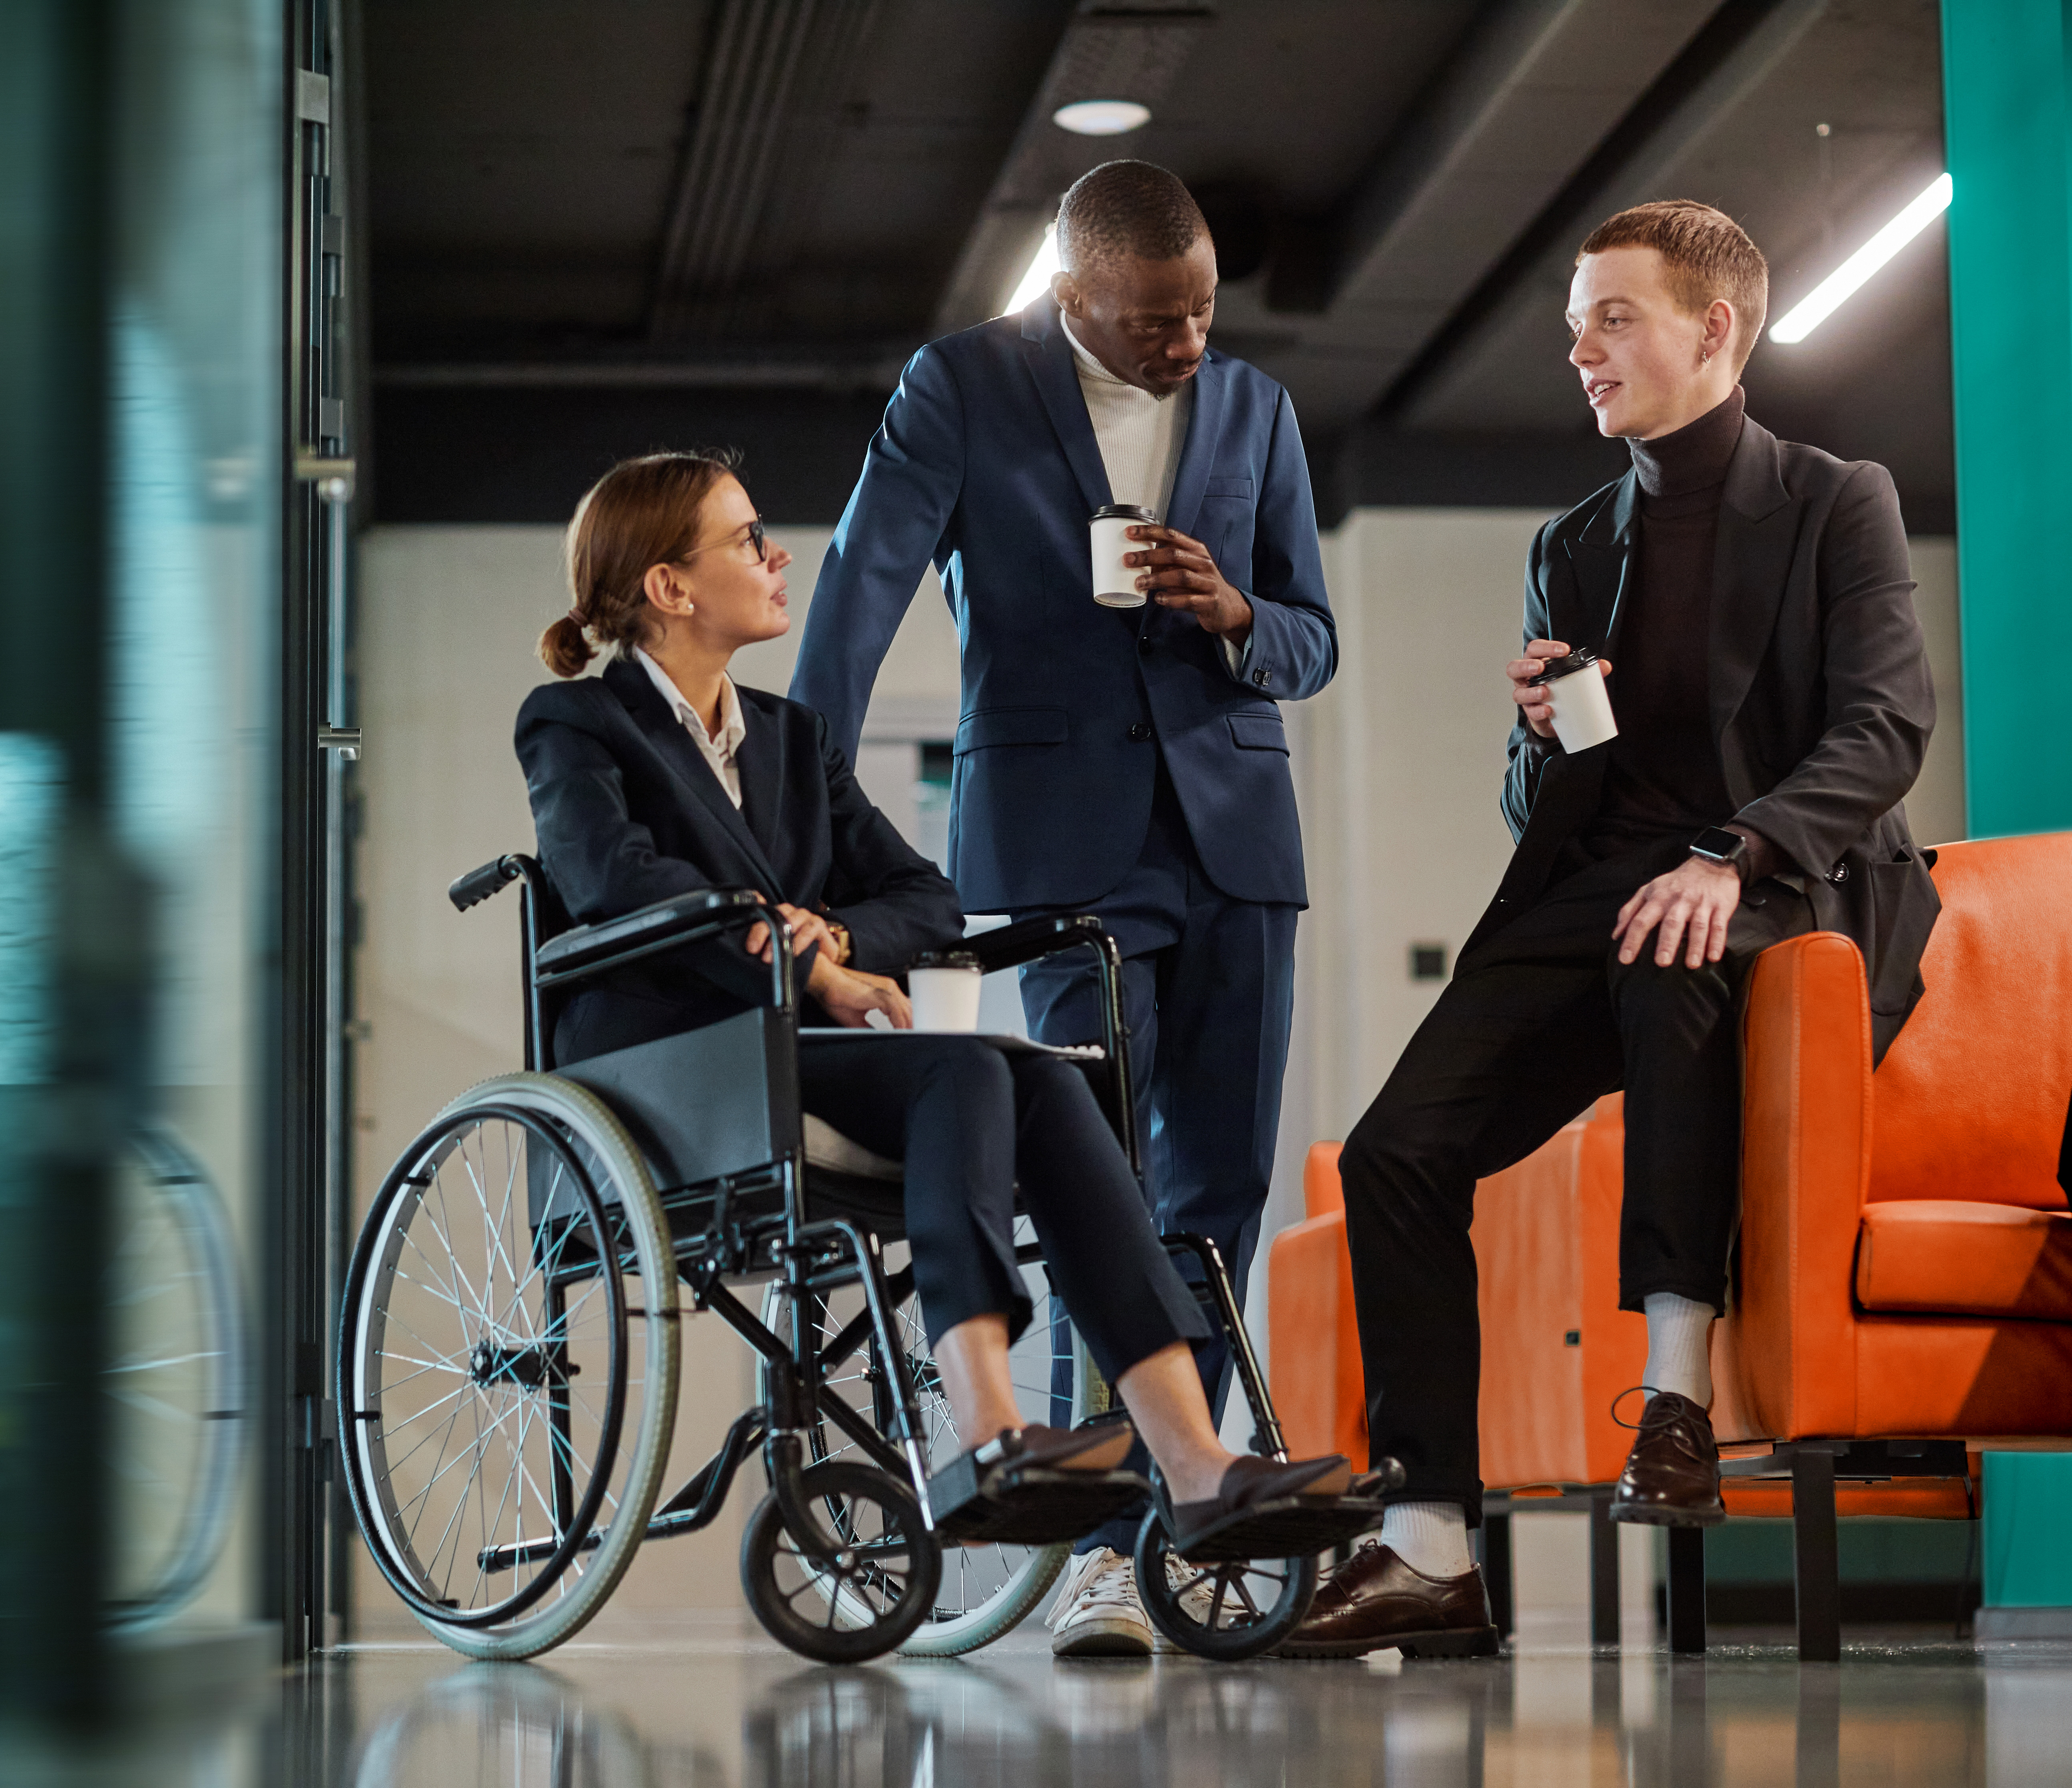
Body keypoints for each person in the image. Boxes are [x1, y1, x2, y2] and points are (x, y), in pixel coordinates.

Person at [1280, 201, 1937, 1659]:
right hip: (1602, 888)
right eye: (1576, 324)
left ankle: (1678, 1403)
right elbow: (1547, 810)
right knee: (1399, 1154)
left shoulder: (1836, 499)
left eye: (1612, 318)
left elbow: (1886, 727)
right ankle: (1431, 1546)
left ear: (1717, 328)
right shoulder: (1576, 542)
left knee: (1677, 951)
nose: (1580, 350)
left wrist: (1734, 847)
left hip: (1779, 883)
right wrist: (1540, 731)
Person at [515, 451, 1347, 1549]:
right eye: (748, 540)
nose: (780, 558)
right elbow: (617, 881)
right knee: (965, 1065)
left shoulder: (792, 741)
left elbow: (929, 901)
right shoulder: (576, 723)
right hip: (668, 1065)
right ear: (669, 587)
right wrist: (808, 961)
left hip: (795, 1053)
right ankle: (986, 1430)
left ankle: (1192, 1463)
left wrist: (844, 938)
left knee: (1038, 1082)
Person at [788, 160, 1335, 1654]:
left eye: (1205, 312)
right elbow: (858, 592)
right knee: (1105, 1181)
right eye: (1156, 320)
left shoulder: (1258, 412)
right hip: (1059, 849)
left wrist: (1236, 617)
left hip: (1238, 837)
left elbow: (1312, 637)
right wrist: (803, 823)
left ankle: (1184, 1505)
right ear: (1075, 293)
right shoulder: (963, 387)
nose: (1187, 343)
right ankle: (1105, 1550)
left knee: (1218, 1188)